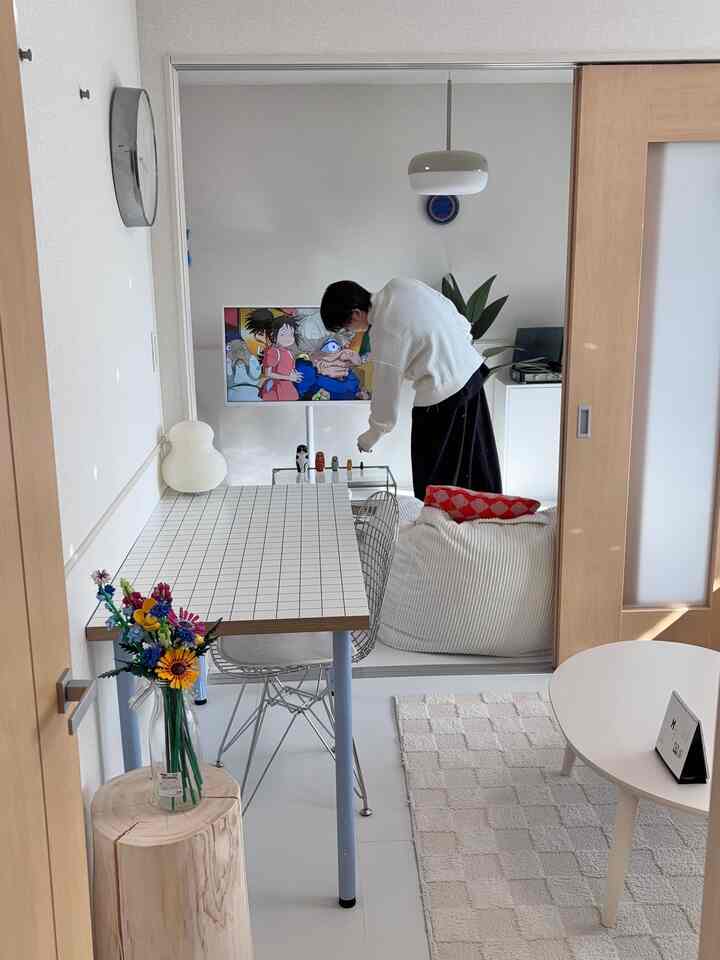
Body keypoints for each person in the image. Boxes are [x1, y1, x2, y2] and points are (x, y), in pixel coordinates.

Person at [319, 277, 502, 500]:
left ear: (356, 314)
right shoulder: (401, 285)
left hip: (442, 395)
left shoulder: (383, 332)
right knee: (477, 459)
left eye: (346, 327)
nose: (350, 332)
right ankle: (491, 515)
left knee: (432, 477)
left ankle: (436, 529)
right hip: (471, 371)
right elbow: (452, 312)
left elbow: (386, 394)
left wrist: (370, 436)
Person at [245, 309, 303, 402]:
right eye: (284, 334)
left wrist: (294, 374)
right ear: (273, 334)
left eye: (291, 334)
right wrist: (289, 377)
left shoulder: (289, 353)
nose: (288, 338)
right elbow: (268, 374)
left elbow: (289, 368)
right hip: (275, 389)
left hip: (288, 388)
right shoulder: (272, 352)